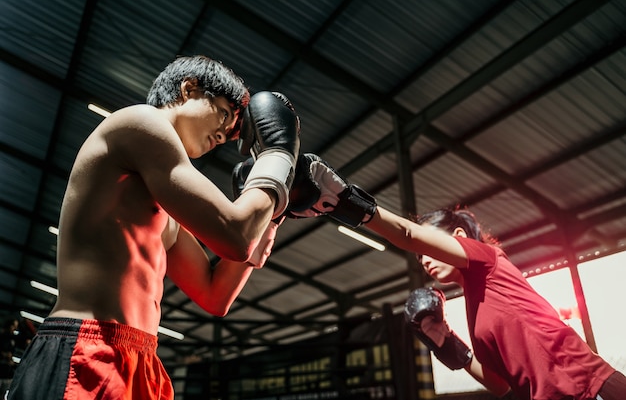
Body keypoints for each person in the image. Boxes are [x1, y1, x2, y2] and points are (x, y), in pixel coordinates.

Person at [7, 55, 301, 400]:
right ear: (189, 88)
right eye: (224, 113)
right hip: (87, 347)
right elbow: (235, 236)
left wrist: (272, 215)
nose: (223, 135)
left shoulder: (167, 209)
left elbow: (214, 295)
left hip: (142, 356)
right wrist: (278, 155)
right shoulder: (139, 122)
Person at [284, 153, 626, 400]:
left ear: (460, 237)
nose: (423, 261)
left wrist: (345, 201)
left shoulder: (488, 263)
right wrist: (445, 340)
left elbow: (407, 233)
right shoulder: (475, 318)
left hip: (590, 390)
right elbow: (499, 384)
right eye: (419, 258)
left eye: (428, 250)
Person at [0, 318, 18, 397]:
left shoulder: (12, 339)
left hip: (6, 372)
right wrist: (4, 355)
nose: (14, 329)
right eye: (13, 326)